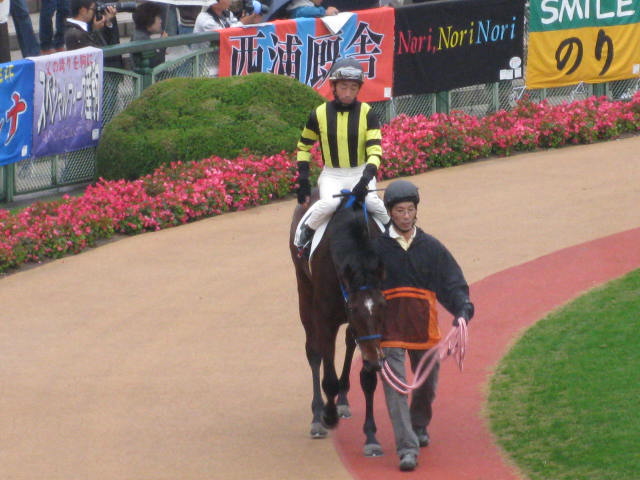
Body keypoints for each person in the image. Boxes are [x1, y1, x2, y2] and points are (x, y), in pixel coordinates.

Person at [373, 179, 474, 472]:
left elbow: (452, 283)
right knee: (396, 390)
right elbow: (362, 289)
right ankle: (407, 448)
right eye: (400, 210)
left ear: (416, 211)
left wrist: (462, 310)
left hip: (424, 329)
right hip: (388, 331)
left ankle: (418, 425)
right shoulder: (375, 249)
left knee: (427, 387)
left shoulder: (432, 248)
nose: (405, 216)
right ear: (390, 213)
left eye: (410, 210)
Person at [294, 57, 389, 250]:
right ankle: (303, 235)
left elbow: (375, 150)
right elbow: (303, 147)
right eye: (343, 87)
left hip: (360, 172)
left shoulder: (368, 113)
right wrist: (303, 181)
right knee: (328, 204)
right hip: (332, 174)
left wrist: (365, 180)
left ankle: (396, 236)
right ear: (334, 87)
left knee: (374, 203)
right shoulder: (319, 114)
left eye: (353, 88)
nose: (348, 93)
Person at [64, 0, 122, 67]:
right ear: (83, 11)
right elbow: (99, 52)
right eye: (93, 9)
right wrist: (96, 31)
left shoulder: (77, 29)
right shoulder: (74, 33)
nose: (94, 12)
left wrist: (108, 22)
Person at [131, 1, 167, 69]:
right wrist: (162, 44)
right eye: (158, 18)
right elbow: (156, 65)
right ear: (150, 19)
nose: (160, 21)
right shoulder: (142, 38)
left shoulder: (138, 34)